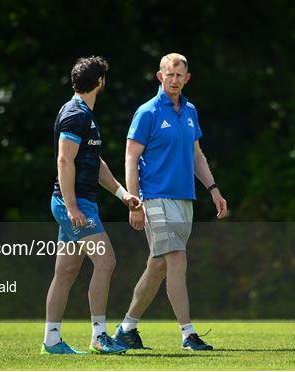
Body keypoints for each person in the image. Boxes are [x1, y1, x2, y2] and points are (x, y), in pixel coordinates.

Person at [113, 53, 228, 351]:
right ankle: (188, 334)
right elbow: (131, 157)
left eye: (179, 75)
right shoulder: (148, 112)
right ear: (159, 76)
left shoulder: (190, 111)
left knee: (159, 266)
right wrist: (134, 202)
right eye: (169, 74)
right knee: (176, 258)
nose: (174, 79)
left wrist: (213, 188)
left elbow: (196, 156)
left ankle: (127, 329)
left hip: (184, 199)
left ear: (187, 78)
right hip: (154, 198)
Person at [42, 56, 141, 355]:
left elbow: (93, 163)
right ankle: (99, 336)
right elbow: (64, 159)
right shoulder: (76, 114)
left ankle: (52, 340)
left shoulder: (83, 113)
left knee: (66, 272)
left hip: (80, 203)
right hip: (74, 205)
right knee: (106, 261)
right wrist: (72, 208)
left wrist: (122, 194)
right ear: (99, 82)